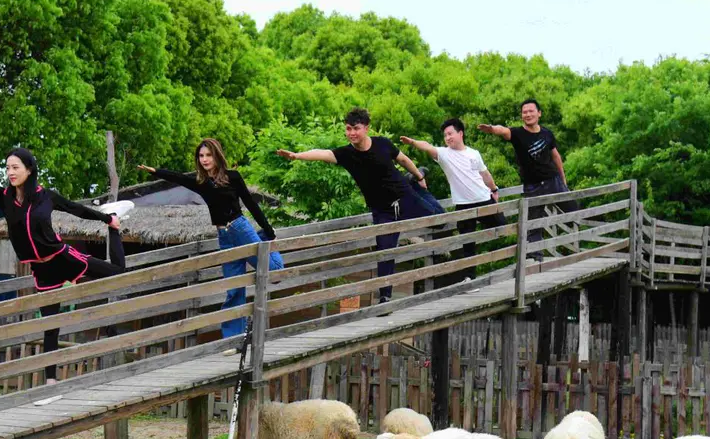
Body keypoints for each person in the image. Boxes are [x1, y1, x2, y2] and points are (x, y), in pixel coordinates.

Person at [0, 142, 129, 384]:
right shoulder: (5, 198)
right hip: (40, 269)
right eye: (7, 168)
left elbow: (76, 209)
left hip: (61, 258)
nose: (10, 173)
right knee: (50, 322)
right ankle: (51, 380)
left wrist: (107, 219)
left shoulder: (45, 196)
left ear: (29, 169)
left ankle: (116, 224)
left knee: (118, 272)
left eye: (15, 167)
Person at [277, 107, 444, 303]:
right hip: (382, 209)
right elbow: (322, 153)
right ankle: (385, 297)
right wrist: (297, 155)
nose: (351, 133)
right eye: (348, 129)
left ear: (366, 128)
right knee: (385, 249)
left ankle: (416, 185)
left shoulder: (382, 144)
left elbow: (403, 159)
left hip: (405, 197)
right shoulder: (346, 154)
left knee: (438, 220)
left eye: (355, 128)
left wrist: (419, 176)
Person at [138, 138, 284, 338]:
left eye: (208, 155)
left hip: (240, 228)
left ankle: (265, 241)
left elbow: (250, 203)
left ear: (217, 156)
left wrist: (269, 230)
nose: (205, 159)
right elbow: (178, 177)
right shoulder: (201, 183)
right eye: (201, 156)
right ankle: (233, 338)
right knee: (233, 289)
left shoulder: (232, 177)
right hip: (224, 236)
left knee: (274, 271)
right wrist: (155, 171)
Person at [400, 117, 505, 271]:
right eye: (445, 135)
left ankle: (503, 265)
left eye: (450, 134)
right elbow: (428, 146)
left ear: (460, 133)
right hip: (463, 205)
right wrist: (413, 142)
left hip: (483, 198)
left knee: (502, 228)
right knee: (467, 243)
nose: (447, 138)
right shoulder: (444, 154)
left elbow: (485, 174)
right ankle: (469, 278)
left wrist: (494, 189)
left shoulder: (473, 154)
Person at [477, 99, 576, 251]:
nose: (528, 114)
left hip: (553, 181)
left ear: (539, 113)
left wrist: (563, 179)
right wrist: (491, 129)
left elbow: (556, 156)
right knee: (533, 224)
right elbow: (503, 130)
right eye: (524, 112)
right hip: (533, 186)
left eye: (531, 111)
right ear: (521, 115)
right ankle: (535, 258)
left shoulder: (547, 133)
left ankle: (577, 246)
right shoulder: (517, 134)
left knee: (573, 210)